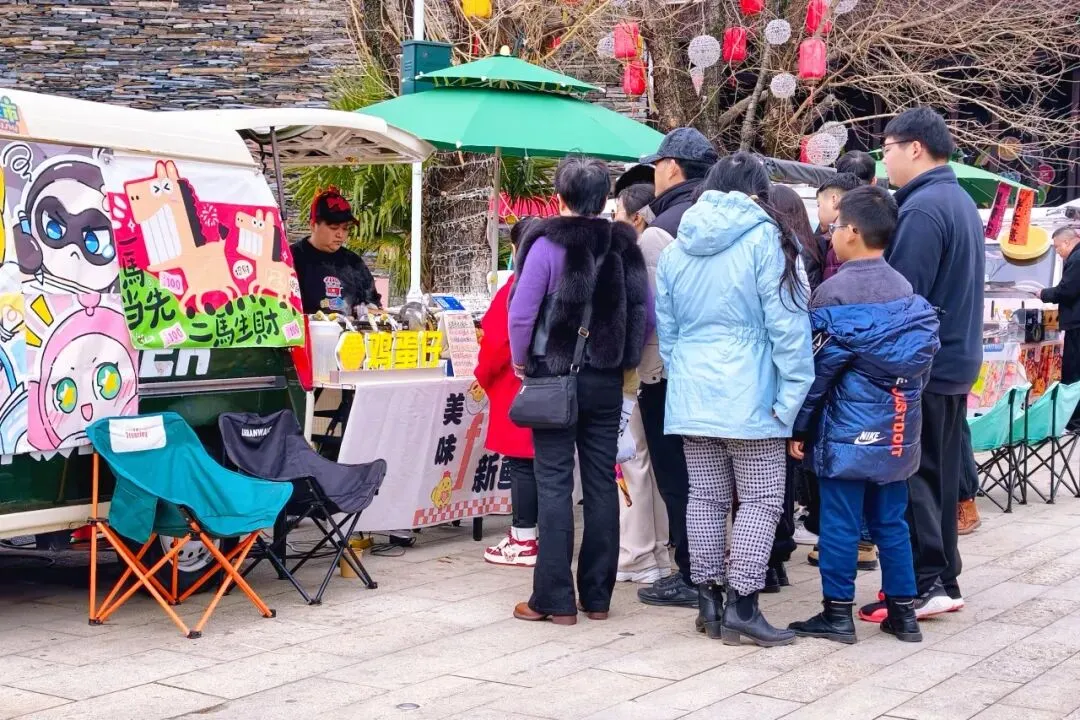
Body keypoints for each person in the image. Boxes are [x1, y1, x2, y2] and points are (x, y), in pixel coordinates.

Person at [655, 152, 813, 646]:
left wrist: (686, 379)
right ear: (758, 191)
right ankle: (743, 604)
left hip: (693, 394)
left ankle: (709, 603)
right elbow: (789, 328)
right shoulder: (770, 240)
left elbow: (669, 333)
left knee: (704, 497)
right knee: (762, 500)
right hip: (753, 395)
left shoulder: (677, 247)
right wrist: (792, 397)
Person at [788, 185, 940, 645]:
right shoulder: (906, 291)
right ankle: (904, 614)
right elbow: (918, 371)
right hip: (897, 427)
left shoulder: (832, 294)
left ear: (852, 231)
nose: (832, 234)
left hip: (845, 431)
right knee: (891, 522)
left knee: (840, 522)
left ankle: (837, 615)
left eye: (836, 227)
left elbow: (817, 375)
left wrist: (799, 427)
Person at [508, 155, 653, 625]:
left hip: (554, 376)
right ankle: (597, 597)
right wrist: (624, 360)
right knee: (600, 482)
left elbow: (522, 314)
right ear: (605, 198)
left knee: (554, 483)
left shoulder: (546, 244)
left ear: (560, 198)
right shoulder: (624, 245)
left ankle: (553, 599)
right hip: (606, 381)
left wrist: (520, 359)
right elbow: (644, 316)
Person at [860, 107, 985, 622]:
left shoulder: (923, 208)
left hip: (924, 366)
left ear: (915, 148)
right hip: (953, 359)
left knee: (914, 476)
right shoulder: (956, 200)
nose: (884, 159)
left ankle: (925, 581)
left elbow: (901, 297)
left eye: (887, 148)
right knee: (939, 472)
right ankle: (943, 578)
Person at [635, 127, 719, 610]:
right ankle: (730, 567)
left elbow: (652, 317)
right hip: (721, 371)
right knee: (713, 478)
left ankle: (691, 572)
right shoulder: (731, 219)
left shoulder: (661, 232)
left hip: (667, 375)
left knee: (677, 477)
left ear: (670, 168)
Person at [612, 182, 672, 585]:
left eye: (617, 212)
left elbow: (643, 317)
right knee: (651, 464)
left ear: (635, 217)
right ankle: (658, 553)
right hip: (662, 368)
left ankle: (636, 555)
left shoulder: (642, 248)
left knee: (632, 460)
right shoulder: (667, 242)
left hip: (639, 371)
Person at [477, 218, 539, 567]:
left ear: (517, 249)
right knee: (547, 466)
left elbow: (497, 344)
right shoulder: (562, 281)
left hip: (518, 389)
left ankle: (523, 538)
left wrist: (481, 376)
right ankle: (541, 536)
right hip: (557, 388)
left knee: (523, 465)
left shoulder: (516, 288)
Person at [764, 184, 817, 592]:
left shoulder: (783, 258)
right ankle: (777, 555)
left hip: (775, 379)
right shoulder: (809, 255)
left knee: (765, 482)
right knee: (781, 474)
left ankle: (770, 560)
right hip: (798, 378)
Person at [291, 187, 381, 315]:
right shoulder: (291, 258)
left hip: (349, 327)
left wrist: (369, 309)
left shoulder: (354, 262)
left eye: (345, 228)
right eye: (334, 227)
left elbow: (373, 305)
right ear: (313, 225)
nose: (340, 235)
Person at [1040, 227, 1080, 429]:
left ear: (1067, 242)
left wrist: (1043, 294)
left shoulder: (1077, 259)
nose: (1057, 252)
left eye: (1057, 247)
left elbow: (1067, 290)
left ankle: (1073, 422)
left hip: (1077, 325)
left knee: (1073, 373)